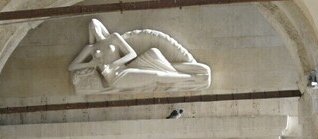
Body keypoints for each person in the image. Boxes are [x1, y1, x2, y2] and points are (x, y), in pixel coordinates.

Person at [68, 19, 211, 93]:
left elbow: (132, 54)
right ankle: (191, 78)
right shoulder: (90, 48)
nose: (96, 30)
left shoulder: (114, 38)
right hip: (116, 79)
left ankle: (177, 75)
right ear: (90, 31)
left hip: (125, 68)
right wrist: (90, 64)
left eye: (97, 27)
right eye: (92, 29)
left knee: (154, 53)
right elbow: (72, 66)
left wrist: (114, 64)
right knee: (155, 75)